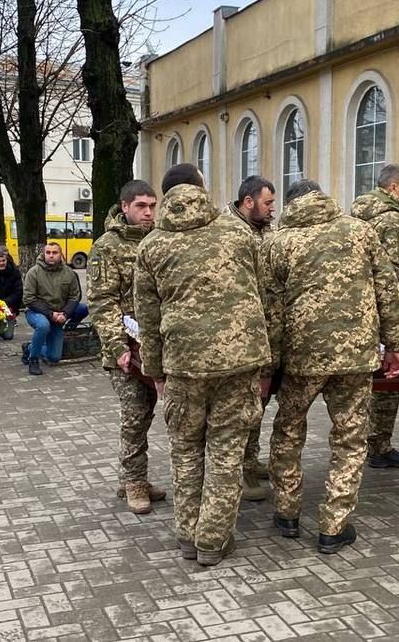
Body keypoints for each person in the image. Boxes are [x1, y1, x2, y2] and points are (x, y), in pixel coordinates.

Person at [133, 163, 271, 567]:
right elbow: (262, 294)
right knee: (227, 450)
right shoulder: (237, 232)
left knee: (186, 449)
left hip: (182, 365)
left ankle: (188, 534)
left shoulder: (152, 245)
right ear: (201, 189)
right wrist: (265, 361)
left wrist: (156, 373)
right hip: (239, 361)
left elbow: (148, 319)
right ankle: (213, 540)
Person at [264, 179, 399, 555]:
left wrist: (272, 364)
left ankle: (287, 512)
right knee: (350, 437)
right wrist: (395, 346)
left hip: (301, 358)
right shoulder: (361, 232)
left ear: (292, 204)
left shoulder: (276, 242)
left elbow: (270, 309)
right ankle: (334, 524)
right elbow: (387, 290)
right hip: (355, 356)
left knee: (288, 431)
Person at [86, 179, 166, 515]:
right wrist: (118, 346)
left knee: (149, 410)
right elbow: (102, 301)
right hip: (124, 348)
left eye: (152, 206)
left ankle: (134, 476)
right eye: (141, 206)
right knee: (135, 413)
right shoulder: (107, 247)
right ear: (125, 207)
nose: (148, 213)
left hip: (156, 345)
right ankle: (133, 481)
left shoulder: (160, 241)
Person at [350, 163, 399, 469]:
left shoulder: (358, 214)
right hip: (385, 308)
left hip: (359, 306)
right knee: (390, 377)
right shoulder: (391, 220)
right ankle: (379, 443)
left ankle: (360, 440)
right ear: (393, 187)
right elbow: (392, 273)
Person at [225, 175, 276, 502]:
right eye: (268, 202)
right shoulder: (229, 234)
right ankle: (239, 473)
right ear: (248, 202)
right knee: (242, 409)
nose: (273, 208)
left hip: (266, 333)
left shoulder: (265, 230)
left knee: (258, 405)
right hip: (240, 337)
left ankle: (251, 459)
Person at [21, 242, 88, 375]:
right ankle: (33, 359)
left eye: (54, 253)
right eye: (48, 252)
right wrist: (51, 314)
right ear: (44, 254)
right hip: (37, 312)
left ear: (60, 254)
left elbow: (75, 296)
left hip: (59, 314)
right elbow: (28, 299)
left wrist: (65, 314)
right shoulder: (34, 272)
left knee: (54, 357)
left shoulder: (69, 273)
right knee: (43, 325)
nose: (51, 255)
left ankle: (30, 347)